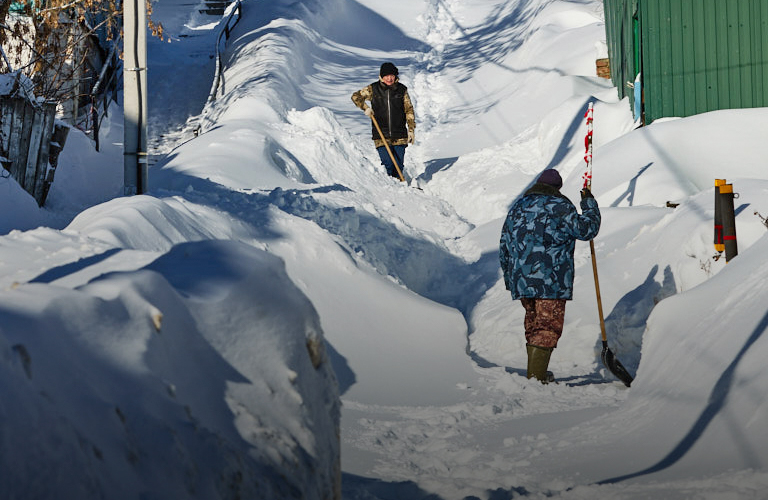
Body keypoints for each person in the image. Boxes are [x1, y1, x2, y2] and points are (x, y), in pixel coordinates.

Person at [499, 169, 601, 383]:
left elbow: (504, 245)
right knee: (547, 327)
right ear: (557, 188)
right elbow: (586, 230)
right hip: (551, 279)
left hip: (522, 280)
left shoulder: (517, 207)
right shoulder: (560, 207)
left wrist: (511, 279)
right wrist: (588, 204)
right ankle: (535, 378)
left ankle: (536, 373)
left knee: (534, 324)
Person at [351, 62, 415, 179]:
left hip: (400, 133)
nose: (389, 78)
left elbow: (409, 110)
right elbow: (356, 97)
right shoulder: (373, 89)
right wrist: (366, 108)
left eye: (392, 75)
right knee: (388, 164)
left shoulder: (402, 90)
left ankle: (401, 190)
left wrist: (411, 129)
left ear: (396, 76)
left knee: (398, 165)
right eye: (386, 76)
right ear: (381, 76)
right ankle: (391, 187)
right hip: (380, 133)